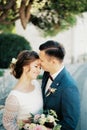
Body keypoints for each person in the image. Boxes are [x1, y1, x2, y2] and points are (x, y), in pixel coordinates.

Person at [39, 40, 80, 130]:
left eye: (41, 60)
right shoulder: (46, 74)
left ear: (53, 62)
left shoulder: (69, 87)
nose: (39, 62)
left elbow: (70, 124)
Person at [3, 50, 43, 130]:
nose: (39, 71)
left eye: (40, 67)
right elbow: (8, 124)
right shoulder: (14, 97)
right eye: (36, 66)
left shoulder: (36, 84)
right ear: (25, 67)